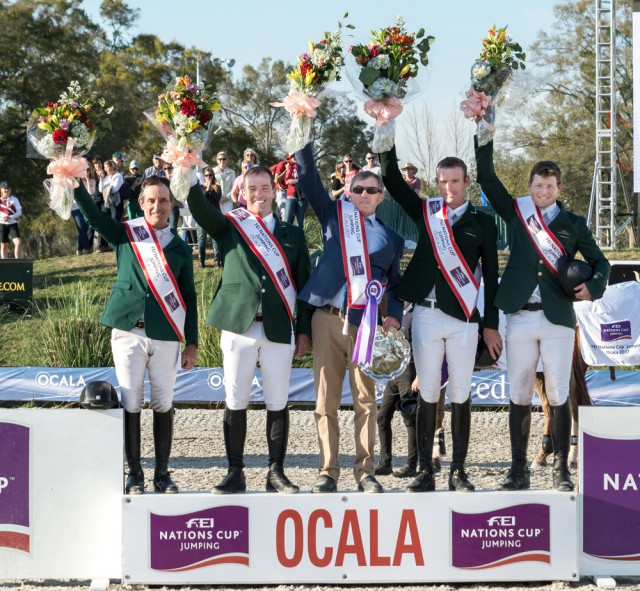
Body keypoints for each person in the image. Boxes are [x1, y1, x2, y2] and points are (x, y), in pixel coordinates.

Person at [475, 136, 610, 492]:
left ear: (558, 187)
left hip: (558, 319)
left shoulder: (574, 224)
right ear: (530, 187)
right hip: (519, 315)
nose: (543, 191)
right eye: (537, 186)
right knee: (519, 391)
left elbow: (600, 263)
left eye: (549, 186)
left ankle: (561, 469)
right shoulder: (517, 212)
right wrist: (485, 134)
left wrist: (592, 287)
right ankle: (518, 468)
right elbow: (487, 179)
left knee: (558, 391)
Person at [380, 145, 501, 493]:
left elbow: (490, 279)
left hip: (464, 317)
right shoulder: (426, 212)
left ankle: (458, 471)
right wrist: (386, 130)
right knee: (428, 392)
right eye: (443, 182)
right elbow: (390, 178)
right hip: (426, 316)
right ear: (436, 182)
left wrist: (489, 323)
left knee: (461, 392)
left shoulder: (483, 223)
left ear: (466, 182)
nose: (449, 188)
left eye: (455, 182)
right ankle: (425, 471)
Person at [187, 166, 312, 495]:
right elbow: (200, 209)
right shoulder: (229, 226)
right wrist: (187, 175)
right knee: (235, 399)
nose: (258, 194)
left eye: (264, 188)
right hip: (239, 326)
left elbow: (305, 288)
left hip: (278, 327)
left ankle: (276, 472)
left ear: (274, 191)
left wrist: (303, 331)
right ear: (242, 194)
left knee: (277, 401)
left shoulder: (293, 235)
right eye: (251, 189)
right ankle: (235, 472)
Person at [74, 175, 198, 495]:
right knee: (131, 400)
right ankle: (134, 473)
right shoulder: (126, 234)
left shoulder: (181, 249)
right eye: (151, 200)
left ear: (173, 205)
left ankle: (162, 474)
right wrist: (73, 183)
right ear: (141, 204)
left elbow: (189, 298)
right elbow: (93, 215)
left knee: (162, 402)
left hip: (166, 334)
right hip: (128, 332)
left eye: (164, 200)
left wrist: (192, 342)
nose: (158, 206)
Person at [296, 142, 404, 494]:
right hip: (326, 318)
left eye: (372, 190)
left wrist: (396, 316)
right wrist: (303, 128)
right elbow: (309, 178)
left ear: (381, 196)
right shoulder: (333, 214)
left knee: (365, 401)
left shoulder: (392, 238)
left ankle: (365, 471)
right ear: (349, 191)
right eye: (358, 189)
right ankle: (328, 471)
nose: (364, 195)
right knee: (325, 400)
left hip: (365, 324)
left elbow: (396, 285)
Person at [197, 167, 222, 268]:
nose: (208, 177)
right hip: (203, 216)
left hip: (214, 215)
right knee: (202, 238)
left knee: (215, 238)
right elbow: (201, 199)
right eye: (206, 175)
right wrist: (207, 190)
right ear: (204, 176)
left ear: (213, 176)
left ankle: (217, 261)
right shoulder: (200, 187)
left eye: (210, 175)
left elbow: (217, 199)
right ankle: (201, 262)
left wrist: (211, 190)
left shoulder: (217, 187)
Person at [70, 166, 93, 255]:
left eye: (87, 170)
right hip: (75, 207)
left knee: (85, 227)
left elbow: (90, 193)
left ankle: (79, 249)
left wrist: (87, 180)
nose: (85, 172)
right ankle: (87, 248)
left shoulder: (89, 181)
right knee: (81, 227)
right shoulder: (72, 181)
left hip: (86, 206)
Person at [0, 181, 23, 259]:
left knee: (18, 242)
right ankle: (5, 263)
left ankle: (18, 262)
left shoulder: (14, 199)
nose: (6, 190)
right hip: (2, 224)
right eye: (5, 188)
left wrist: (11, 217)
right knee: (3, 245)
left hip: (13, 223)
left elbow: (19, 212)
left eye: (8, 188)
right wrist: (3, 218)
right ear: (1, 190)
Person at [284, 157, 307, 227]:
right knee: (287, 220)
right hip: (291, 196)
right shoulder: (291, 168)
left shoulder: (306, 168)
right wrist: (299, 181)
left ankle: (298, 237)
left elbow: (309, 181)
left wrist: (295, 180)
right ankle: (286, 237)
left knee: (300, 222)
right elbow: (287, 181)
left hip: (303, 196)